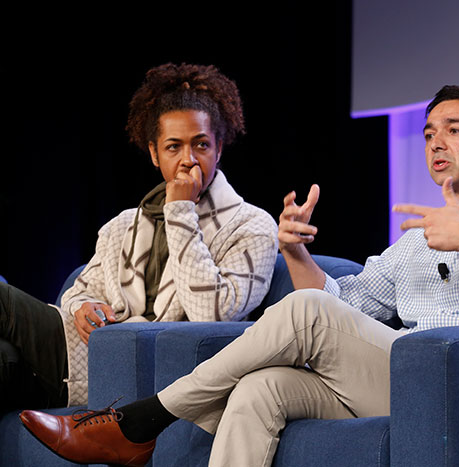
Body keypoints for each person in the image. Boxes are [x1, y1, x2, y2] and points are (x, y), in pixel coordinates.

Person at [19, 85, 459, 466]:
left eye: (454, 131)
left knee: (305, 318)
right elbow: (344, 307)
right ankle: (138, 430)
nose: (436, 142)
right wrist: (296, 255)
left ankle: (139, 423)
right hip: (396, 377)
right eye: (430, 132)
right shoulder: (417, 237)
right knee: (260, 390)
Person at [1, 63, 279, 412]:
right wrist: (82, 308)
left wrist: (181, 212)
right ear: (154, 153)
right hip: (84, 352)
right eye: (173, 147)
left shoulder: (251, 226)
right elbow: (80, 289)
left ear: (219, 149)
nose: (187, 160)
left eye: (201, 145)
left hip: (146, 372)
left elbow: (212, 316)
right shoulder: (124, 224)